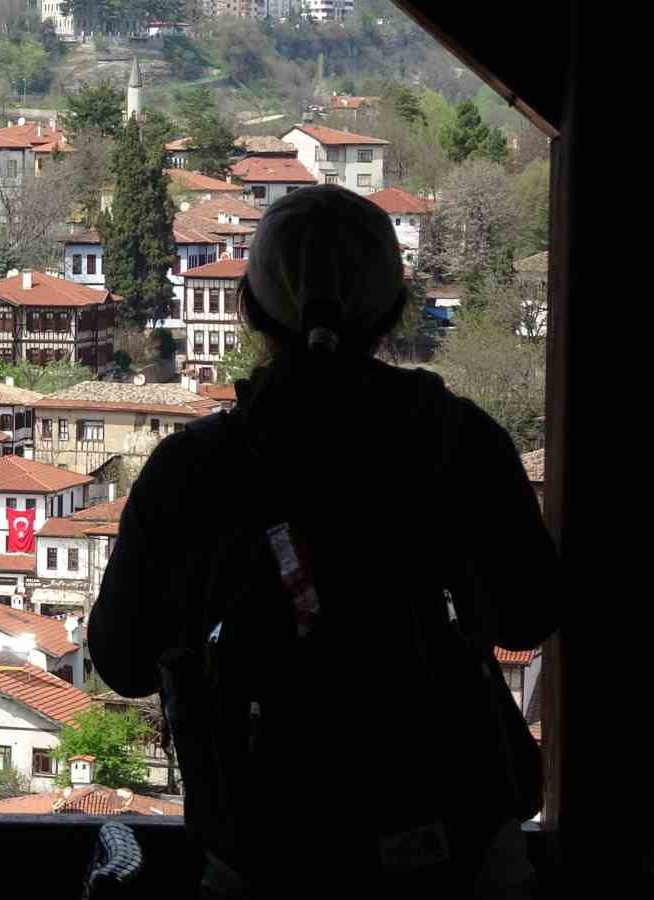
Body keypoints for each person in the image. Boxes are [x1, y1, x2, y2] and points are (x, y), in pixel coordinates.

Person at [88, 185, 558, 899]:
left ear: (249, 311)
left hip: (268, 847)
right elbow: (529, 614)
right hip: (459, 840)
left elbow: (123, 661)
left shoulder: (195, 466)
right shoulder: (461, 440)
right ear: (396, 310)